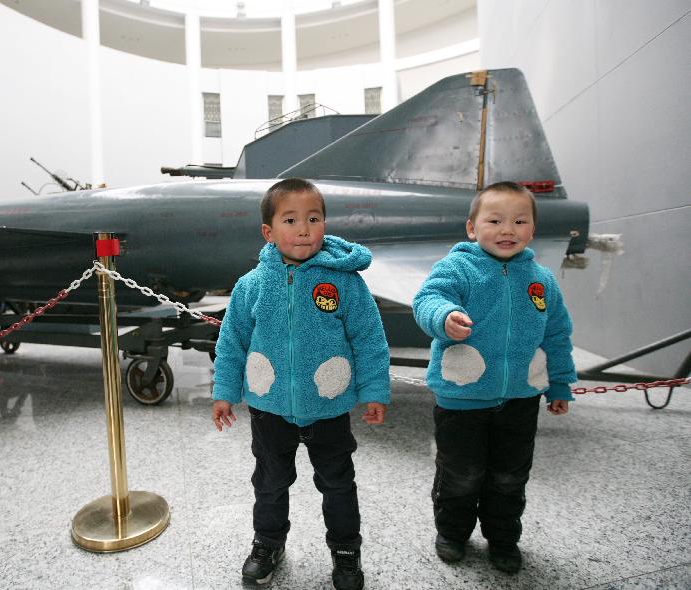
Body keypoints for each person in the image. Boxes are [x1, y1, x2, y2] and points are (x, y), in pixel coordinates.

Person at [211, 178, 390, 590]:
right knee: (270, 483)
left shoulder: (344, 282)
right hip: (269, 406)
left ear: (325, 224)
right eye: (291, 220)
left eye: (313, 219)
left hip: (327, 406)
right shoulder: (252, 285)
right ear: (269, 233)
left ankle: (346, 551)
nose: (304, 229)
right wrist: (224, 392)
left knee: (338, 484)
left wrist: (375, 391)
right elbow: (232, 343)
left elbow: (369, 338)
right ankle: (268, 543)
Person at [412, 181, 577, 574]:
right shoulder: (458, 267)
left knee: (509, 476)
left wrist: (559, 383)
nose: (508, 229)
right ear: (472, 228)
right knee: (461, 474)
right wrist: (443, 317)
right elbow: (428, 299)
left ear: (532, 230)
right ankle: (452, 532)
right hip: (461, 398)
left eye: (519, 221)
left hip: (520, 399)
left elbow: (557, 334)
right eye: (495, 220)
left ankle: (503, 539)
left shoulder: (541, 281)